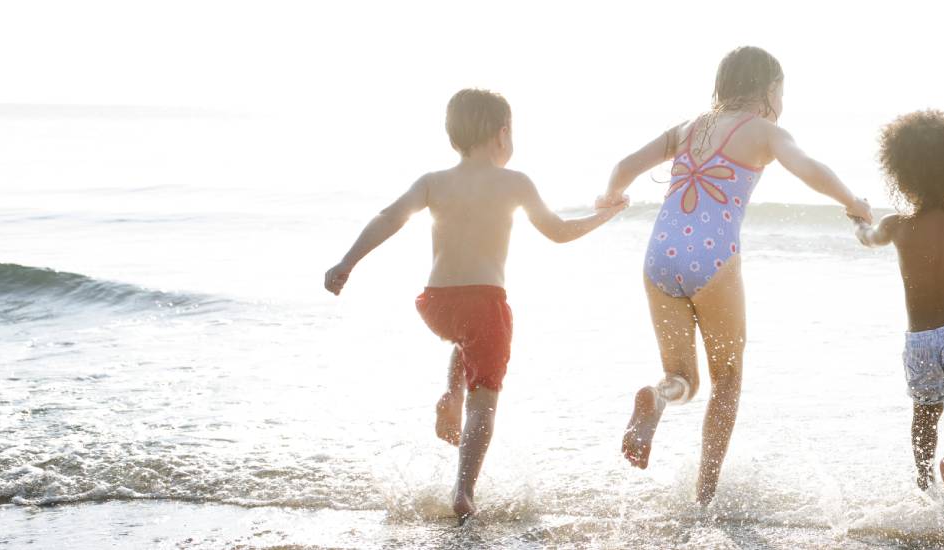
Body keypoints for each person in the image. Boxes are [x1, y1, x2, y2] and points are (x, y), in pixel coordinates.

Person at [321, 88, 628, 523]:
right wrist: (606, 215)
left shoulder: (433, 181)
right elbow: (558, 231)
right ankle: (464, 490)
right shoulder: (516, 182)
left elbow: (390, 216)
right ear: (503, 135)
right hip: (484, 301)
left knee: (465, 340)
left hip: (436, 303)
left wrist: (346, 262)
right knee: (484, 401)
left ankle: (451, 391)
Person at [599, 46, 874, 505]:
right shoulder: (765, 131)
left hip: (659, 255)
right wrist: (854, 203)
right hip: (712, 259)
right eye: (782, 89)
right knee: (726, 380)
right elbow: (809, 168)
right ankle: (704, 495)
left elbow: (624, 168)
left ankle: (659, 395)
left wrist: (610, 198)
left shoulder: (689, 128)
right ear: (769, 89)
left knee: (682, 377)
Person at [854, 110, 944, 516]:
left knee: (925, 411)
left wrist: (859, 220)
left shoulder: (896, 225)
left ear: (899, 173)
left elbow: (867, 238)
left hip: (919, 341)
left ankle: (923, 486)